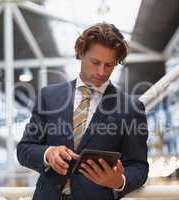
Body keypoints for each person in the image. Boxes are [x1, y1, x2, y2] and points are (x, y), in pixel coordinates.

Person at [17, 22, 149, 200]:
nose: (101, 72)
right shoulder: (49, 97)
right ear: (80, 53)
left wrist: (119, 181)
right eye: (95, 62)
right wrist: (48, 154)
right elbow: (25, 149)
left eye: (109, 65)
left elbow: (139, 166)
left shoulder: (131, 108)